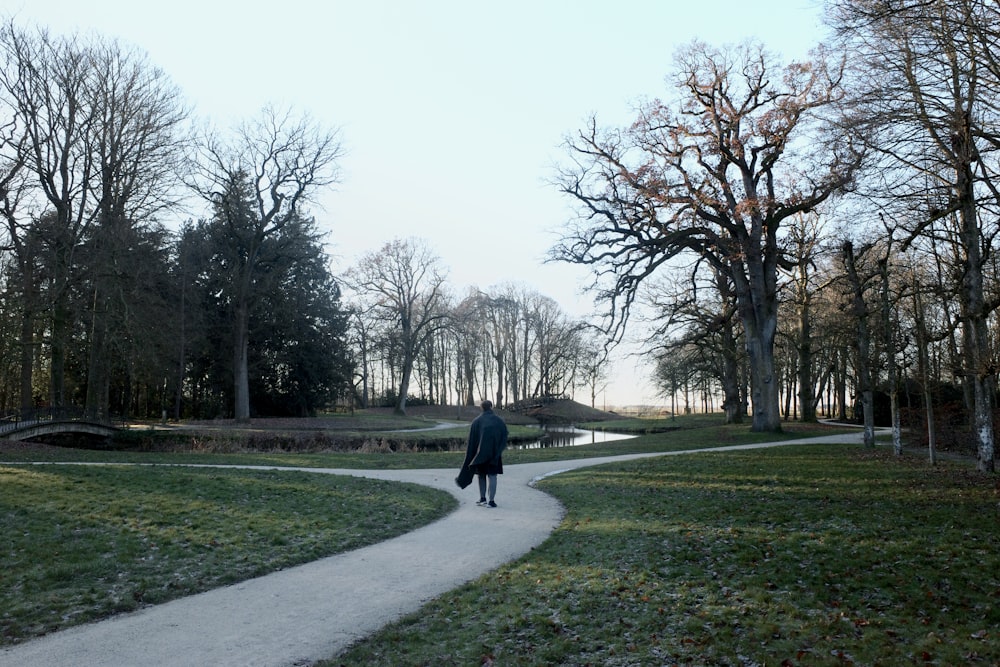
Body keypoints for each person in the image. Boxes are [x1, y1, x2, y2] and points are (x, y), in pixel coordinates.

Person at [455, 399, 508, 507]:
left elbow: (472, 441)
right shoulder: (499, 421)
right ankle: (491, 501)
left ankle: (482, 498)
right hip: (494, 454)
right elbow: (504, 436)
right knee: (492, 476)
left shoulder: (476, 421)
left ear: (482, 408)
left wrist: (471, 456)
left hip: (480, 455)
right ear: (491, 407)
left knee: (481, 475)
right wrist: (498, 450)